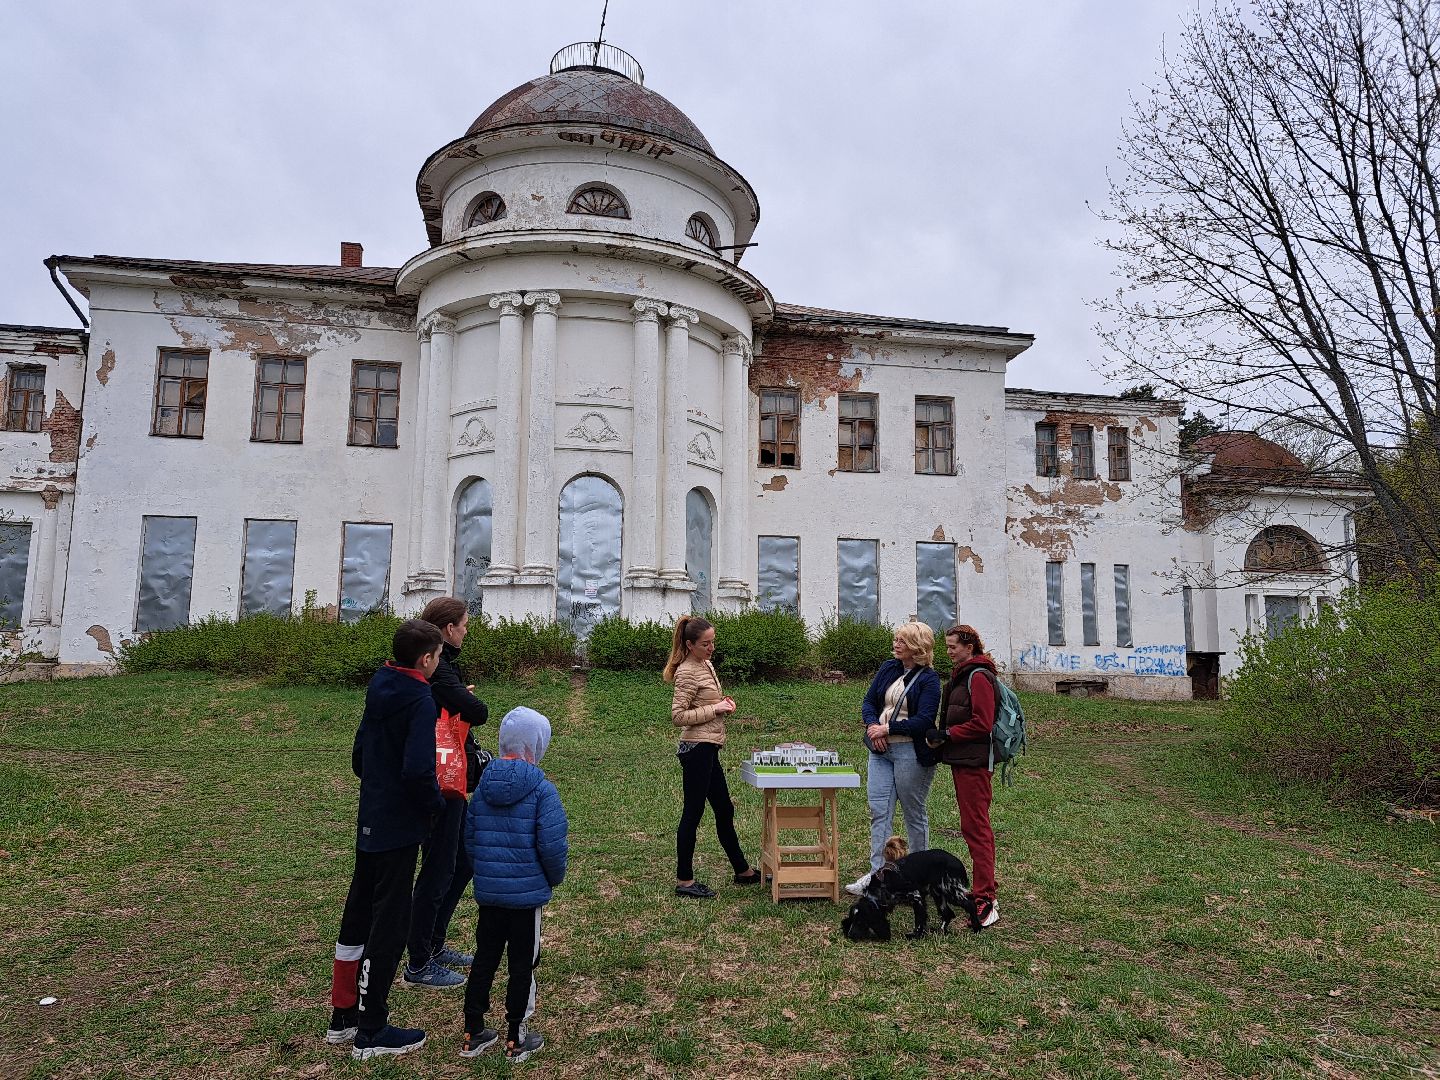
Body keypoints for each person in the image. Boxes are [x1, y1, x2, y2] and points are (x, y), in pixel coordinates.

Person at [326, 619, 448, 1061]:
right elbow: (418, 769)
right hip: (399, 827)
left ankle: (343, 1016)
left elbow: (360, 755)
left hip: (371, 819)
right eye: (436, 657)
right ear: (426, 659)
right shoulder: (419, 697)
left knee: (357, 915)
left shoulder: (380, 682)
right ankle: (372, 1027)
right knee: (389, 923)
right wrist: (433, 805)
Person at [460, 707, 568, 1064]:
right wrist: (551, 880)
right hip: (526, 898)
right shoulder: (543, 790)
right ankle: (516, 1037)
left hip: (490, 895)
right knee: (523, 965)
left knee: (485, 959)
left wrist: (486, 873)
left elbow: (471, 840)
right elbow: (552, 846)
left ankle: (473, 1030)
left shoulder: (482, 786)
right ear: (537, 745)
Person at [403, 597, 490, 990]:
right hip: (441, 783)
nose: (467, 630)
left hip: (450, 781)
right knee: (438, 870)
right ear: (448, 630)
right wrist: (465, 699)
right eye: (464, 624)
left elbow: (463, 704)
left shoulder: (444, 671)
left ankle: (433, 945)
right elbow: (477, 709)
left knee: (462, 863)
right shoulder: (439, 672)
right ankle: (419, 961)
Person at [664, 615, 762, 899]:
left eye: (713, 642)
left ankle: (742, 871)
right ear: (690, 644)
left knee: (724, 809)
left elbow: (706, 702)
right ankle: (684, 881)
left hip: (710, 747)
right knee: (692, 814)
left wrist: (722, 704)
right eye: (705, 644)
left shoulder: (705, 665)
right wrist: (716, 709)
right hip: (696, 750)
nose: (711, 648)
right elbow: (678, 716)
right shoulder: (686, 671)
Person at [847, 621, 941, 896]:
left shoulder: (929, 679)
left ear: (917, 647)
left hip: (909, 751)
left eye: (902, 641)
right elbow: (868, 702)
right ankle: (877, 876)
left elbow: (924, 719)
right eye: (896, 639)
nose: (896, 644)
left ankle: (920, 876)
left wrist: (888, 728)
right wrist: (872, 727)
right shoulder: (889, 668)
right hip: (880, 751)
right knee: (879, 812)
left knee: (913, 813)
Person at [926, 624, 1000, 929]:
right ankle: (982, 891)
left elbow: (982, 723)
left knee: (977, 827)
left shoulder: (979, 676)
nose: (948, 651)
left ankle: (986, 898)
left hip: (975, 762)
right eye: (946, 646)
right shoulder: (963, 675)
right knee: (971, 826)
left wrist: (947, 734)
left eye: (953, 646)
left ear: (969, 646)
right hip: (963, 760)